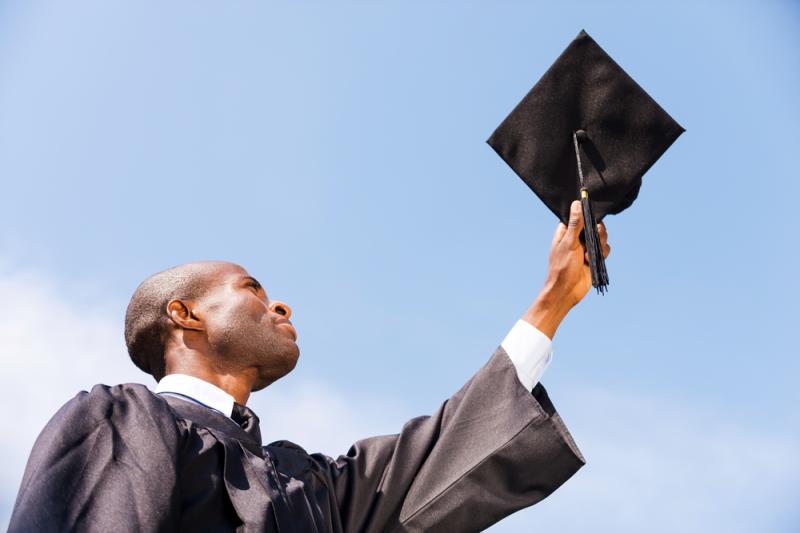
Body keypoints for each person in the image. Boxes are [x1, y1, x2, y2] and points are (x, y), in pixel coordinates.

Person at [9, 201, 609, 533]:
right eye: (251, 288)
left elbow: (439, 453)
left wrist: (551, 303)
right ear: (185, 315)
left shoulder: (305, 486)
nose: (280, 303)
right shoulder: (119, 420)